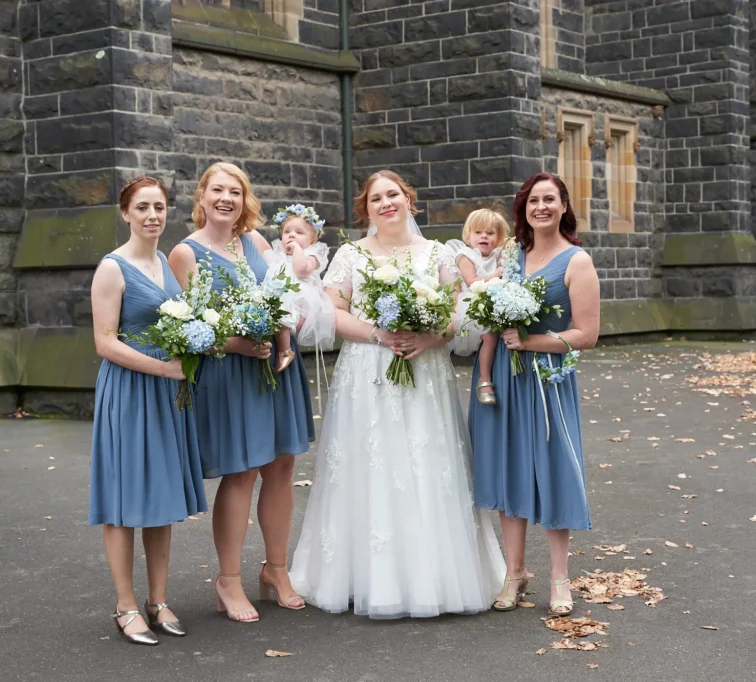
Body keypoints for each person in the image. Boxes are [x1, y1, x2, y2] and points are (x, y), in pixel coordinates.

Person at [289, 170, 506, 619]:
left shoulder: (437, 253)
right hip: (367, 373)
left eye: (393, 195)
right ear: (366, 210)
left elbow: (456, 311)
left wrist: (430, 338)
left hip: (425, 372)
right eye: (375, 199)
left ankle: (436, 577)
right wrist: (377, 335)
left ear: (410, 200)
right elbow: (332, 312)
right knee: (370, 466)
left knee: (427, 465)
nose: (385, 203)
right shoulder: (351, 255)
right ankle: (363, 576)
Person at [168, 162, 313, 624]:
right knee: (242, 472)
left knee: (281, 466)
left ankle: (275, 570)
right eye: (218, 190)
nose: (226, 198)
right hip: (230, 374)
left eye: (235, 191)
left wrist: (289, 324)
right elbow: (185, 331)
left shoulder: (256, 243)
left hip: (274, 364)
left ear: (244, 199)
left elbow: (283, 295)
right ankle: (227, 580)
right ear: (202, 197)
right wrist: (238, 344)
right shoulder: (185, 254)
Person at [469, 172, 600, 616]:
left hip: (547, 380)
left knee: (553, 470)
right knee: (511, 472)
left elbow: (586, 334)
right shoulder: (512, 255)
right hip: (506, 375)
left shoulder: (577, 261)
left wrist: (531, 342)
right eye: (532, 200)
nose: (540, 206)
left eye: (550, 199)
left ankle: (561, 580)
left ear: (564, 206)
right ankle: (514, 573)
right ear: (523, 209)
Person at [88, 176, 209, 645]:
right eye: (142, 207)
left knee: (158, 498)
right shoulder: (112, 269)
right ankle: (125, 606)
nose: (153, 215)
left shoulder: (163, 260)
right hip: (129, 391)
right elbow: (103, 342)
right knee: (123, 502)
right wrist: (164, 370)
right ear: (126, 213)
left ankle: (158, 601)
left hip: (165, 395)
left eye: (159, 206)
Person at [445, 208, 510, 405]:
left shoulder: (497, 255)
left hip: (494, 301)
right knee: (489, 337)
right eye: (478, 232)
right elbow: (472, 282)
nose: (484, 236)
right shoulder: (465, 256)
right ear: (468, 236)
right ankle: (485, 380)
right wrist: (494, 276)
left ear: (497, 238)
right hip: (472, 303)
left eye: (490, 233)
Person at [263, 204, 336, 369]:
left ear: (312, 240)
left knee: (283, 311)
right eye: (287, 232)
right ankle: (277, 345)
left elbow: (300, 270)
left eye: (299, 233)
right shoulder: (277, 254)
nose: (291, 236)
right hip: (281, 290)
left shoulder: (313, 254)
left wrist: (296, 249)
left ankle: (285, 350)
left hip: (301, 296)